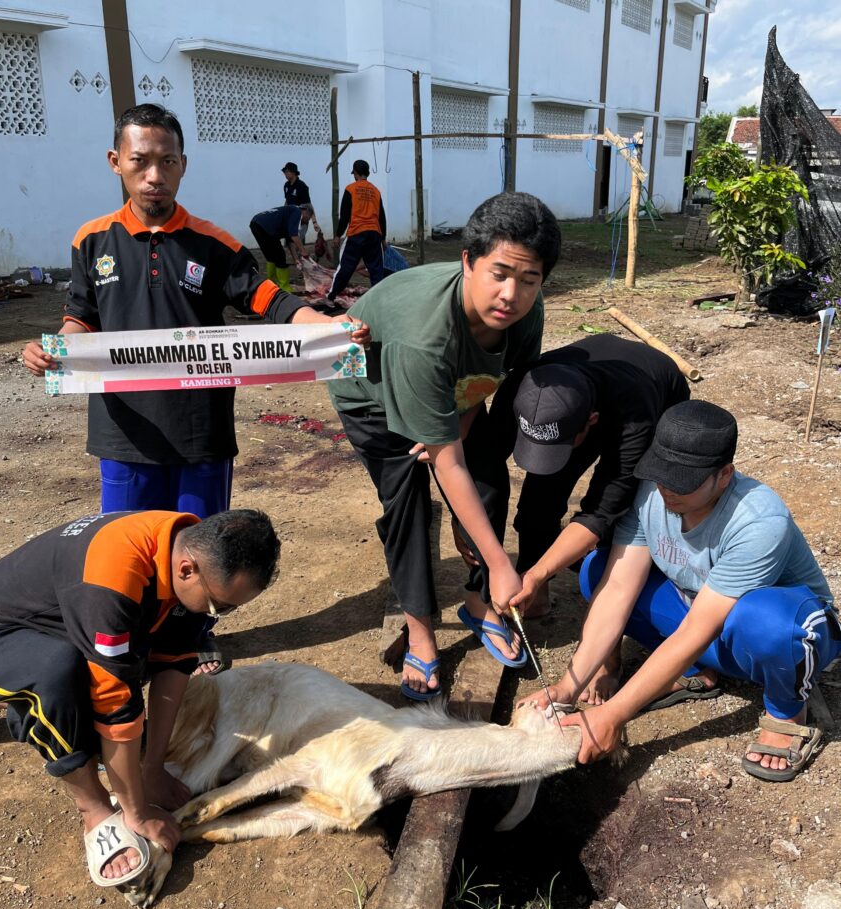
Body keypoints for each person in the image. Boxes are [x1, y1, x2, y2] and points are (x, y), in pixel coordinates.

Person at [22, 104, 356, 520]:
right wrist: (52, 350)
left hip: (202, 433)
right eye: (139, 161)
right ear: (116, 162)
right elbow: (82, 317)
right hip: (124, 434)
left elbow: (270, 299)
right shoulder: (91, 240)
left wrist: (327, 326)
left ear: (183, 165)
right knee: (129, 558)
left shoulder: (215, 244)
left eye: (168, 162)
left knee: (200, 561)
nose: (154, 177)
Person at [529, 401, 841, 783]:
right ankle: (699, 672)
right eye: (662, 475)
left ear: (724, 475)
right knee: (599, 572)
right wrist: (567, 686)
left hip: (782, 640)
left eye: (684, 481)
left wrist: (612, 716)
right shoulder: (650, 494)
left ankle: (786, 712)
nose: (668, 490)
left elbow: (698, 628)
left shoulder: (758, 520)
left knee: (768, 619)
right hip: (705, 624)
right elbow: (618, 591)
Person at [328, 192, 561, 700]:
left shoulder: (527, 311)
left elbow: (482, 382)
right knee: (406, 499)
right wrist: (503, 564)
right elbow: (444, 459)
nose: (511, 294)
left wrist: (454, 441)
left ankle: (478, 603)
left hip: (448, 391)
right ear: (468, 263)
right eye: (498, 273)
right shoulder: (422, 336)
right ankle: (420, 631)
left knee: (487, 481)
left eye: (528, 279)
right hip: (369, 388)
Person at [0, 507, 280, 888]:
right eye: (219, 607)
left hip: (60, 619)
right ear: (186, 570)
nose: (219, 615)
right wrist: (137, 811)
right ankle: (93, 808)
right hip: (4, 630)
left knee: (129, 654)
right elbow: (116, 708)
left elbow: (174, 664)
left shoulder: (185, 546)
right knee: (55, 676)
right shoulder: (110, 581)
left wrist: (153, 768)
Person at [500, 334, 689, 643]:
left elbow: (600, 512)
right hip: (580, 388)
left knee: (627, 511)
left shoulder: (636, 418)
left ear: (591, 422)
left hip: (654, 394)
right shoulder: (526, 385)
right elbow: (487, 458)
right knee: (539, 495)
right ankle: (535, 599)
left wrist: (540, 571)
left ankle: (612, 603)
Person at [327, 159, 386, 303]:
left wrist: (338, 235)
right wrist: (383, 238)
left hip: (357, 233)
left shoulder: (350, 189)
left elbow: (345, 215)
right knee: (376, 270)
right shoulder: (376, 191)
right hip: (374, 234)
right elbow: (382, 217)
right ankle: (379, 300)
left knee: (346, 267)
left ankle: (331, 296)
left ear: (356, 173)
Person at [249, 203, 310, 293]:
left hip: (256, 223)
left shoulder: (289, 214)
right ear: (306, 211)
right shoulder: (297, 212)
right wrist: (303, 250)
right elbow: (294, 235)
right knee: (280, 256)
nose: (306, 221)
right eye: (308, 217)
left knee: (271, 256)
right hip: (265, 226)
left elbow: (290, 241)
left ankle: (272, 283)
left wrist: (295, 258)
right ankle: (284, 287)